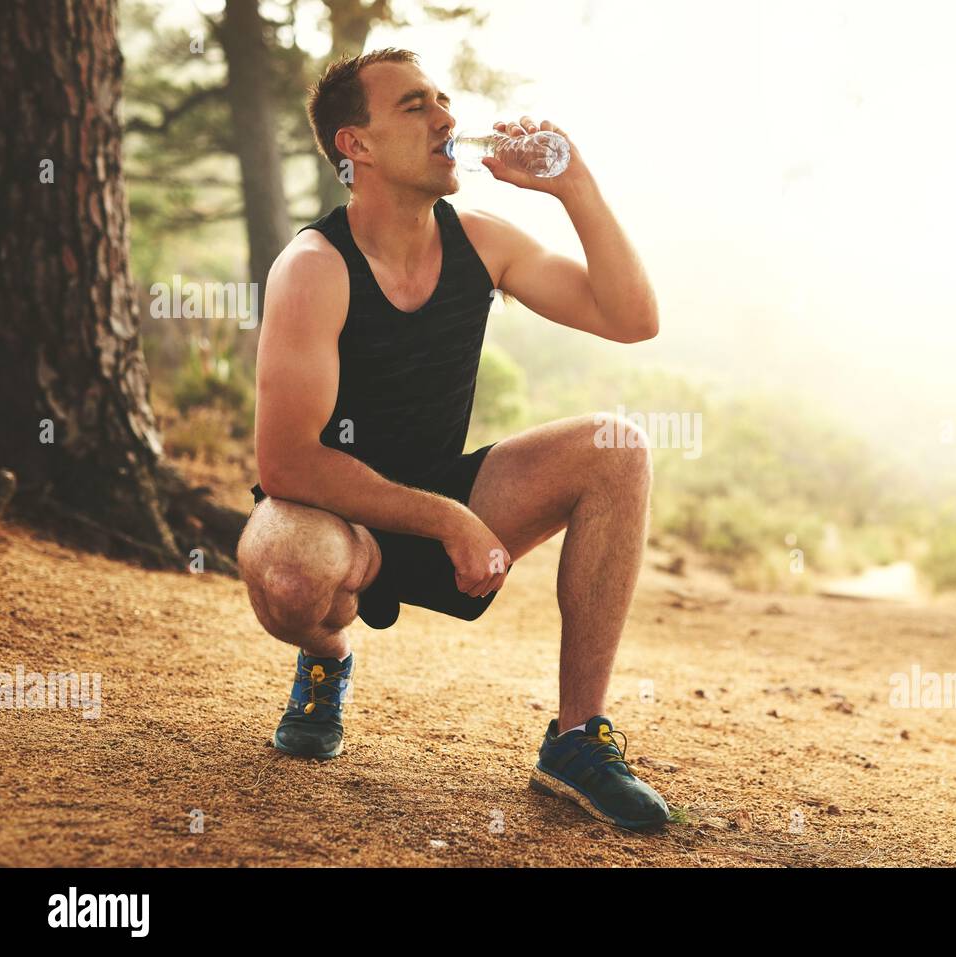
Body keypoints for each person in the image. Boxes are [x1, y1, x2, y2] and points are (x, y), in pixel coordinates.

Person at [235, 48, 668, 832]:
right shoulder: (313, 266)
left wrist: (574, 185)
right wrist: (448, 520)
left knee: (619, 446)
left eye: (443, 100)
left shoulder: (481, 240)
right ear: (354, 146)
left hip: (447, 490)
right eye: (413, 106)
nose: (447, 118)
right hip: (333, 518)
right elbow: (286, 460)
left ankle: (576, 739)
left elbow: (632, 318)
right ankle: (329, 657)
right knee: (296, 578)